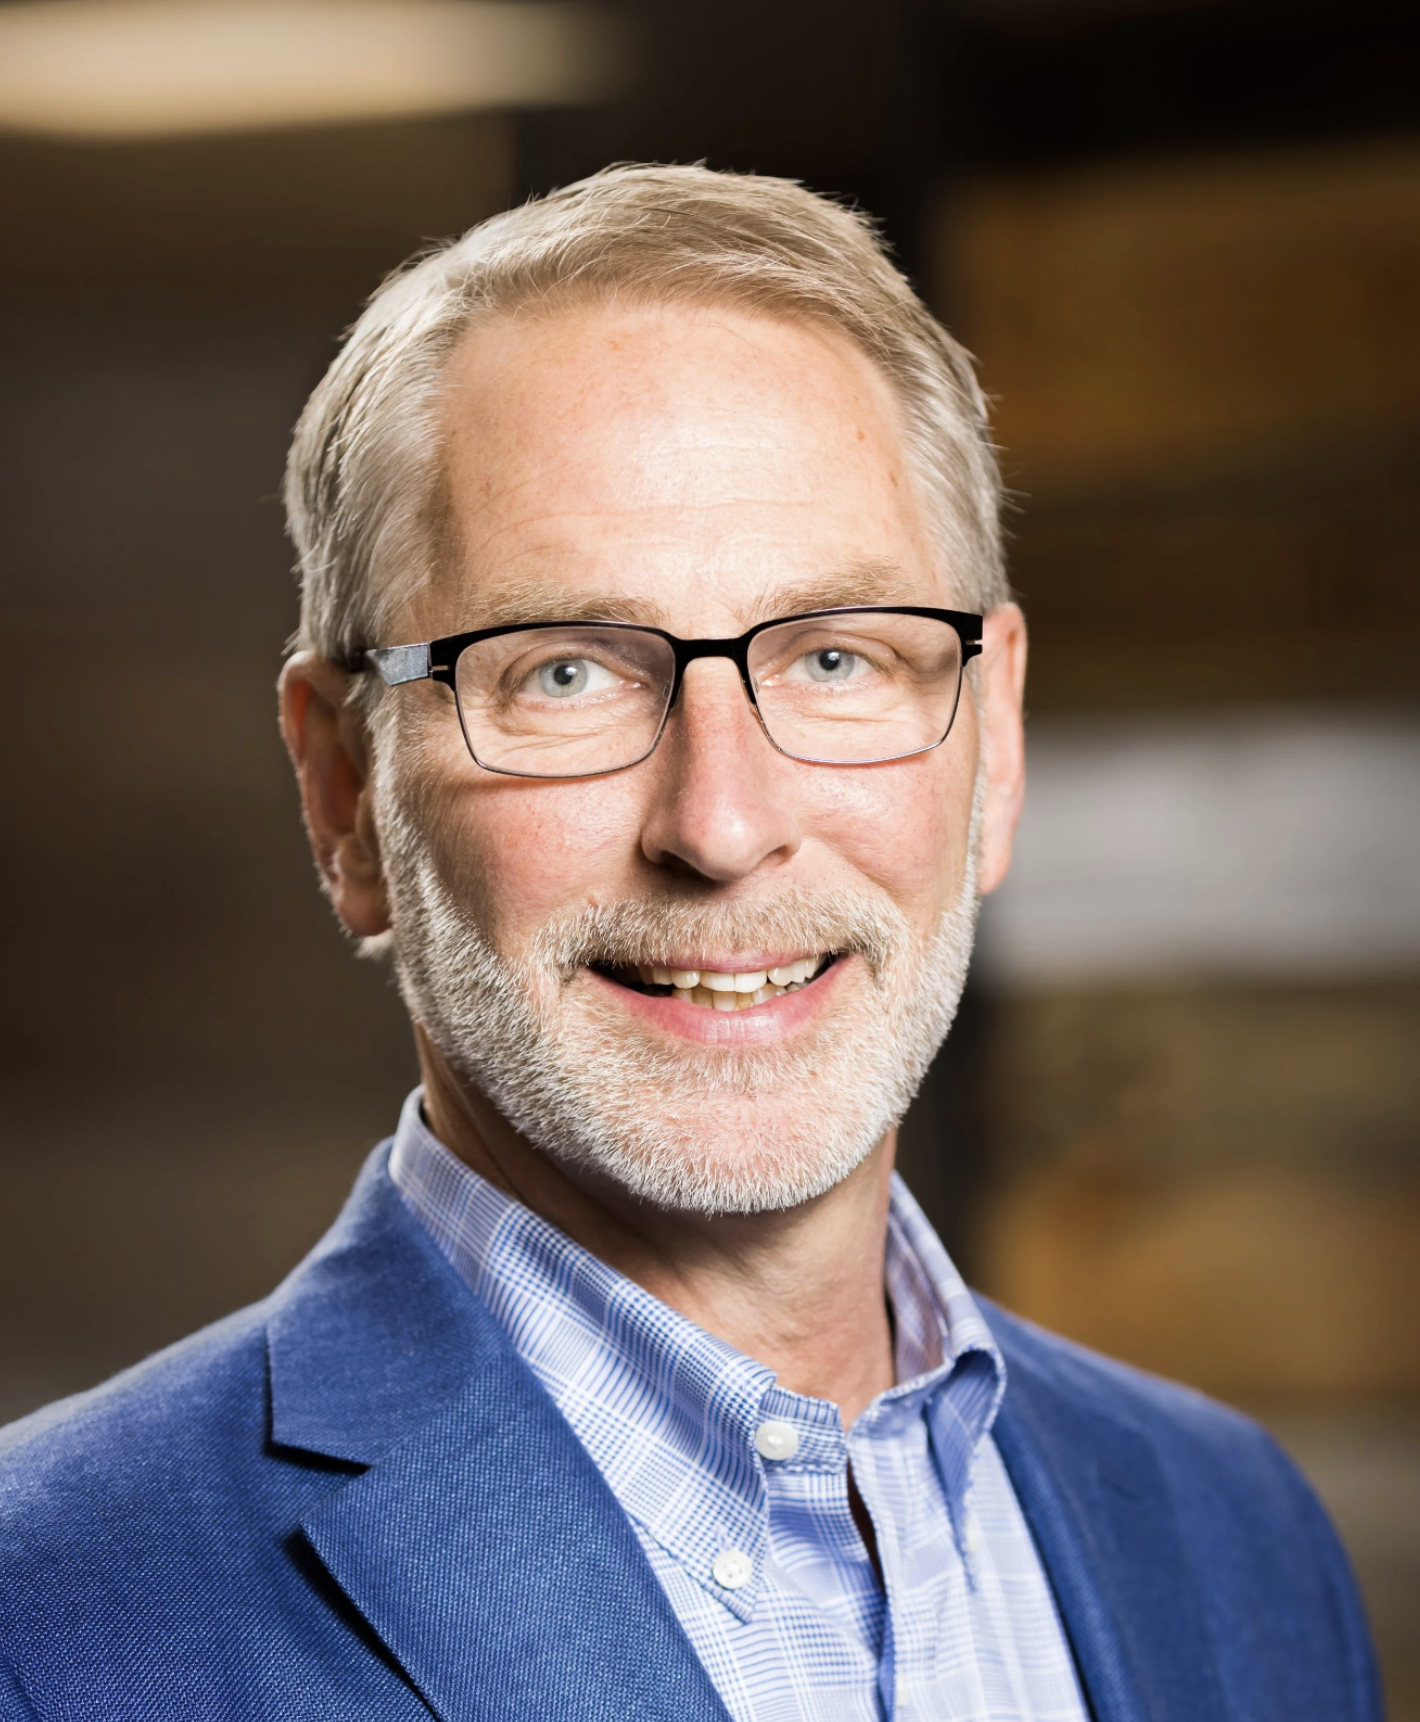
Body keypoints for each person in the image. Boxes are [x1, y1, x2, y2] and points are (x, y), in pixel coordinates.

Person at [0, 164, 1379, 1722]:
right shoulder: (45, 1628)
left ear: (991, 746)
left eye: (836, 657)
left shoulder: (1232, 1537)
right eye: (565, 673)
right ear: (344, 792)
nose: (721, 822)